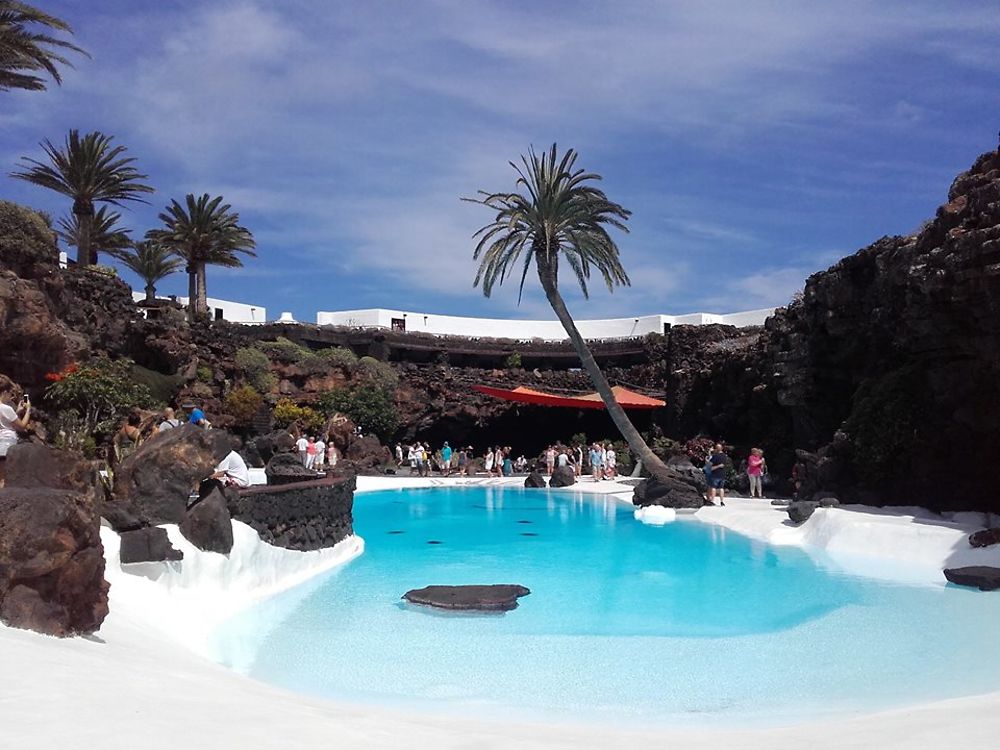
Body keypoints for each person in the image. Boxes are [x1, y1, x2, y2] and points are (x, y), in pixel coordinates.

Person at [0, 390, 31, 486]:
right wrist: (28, 410)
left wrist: (17, 412)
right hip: (6, 442)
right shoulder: (5, 408)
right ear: (5, 392)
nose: (11, 397)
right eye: (11, 394)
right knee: (4, 480)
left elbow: (7, 422)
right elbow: (21, 426)